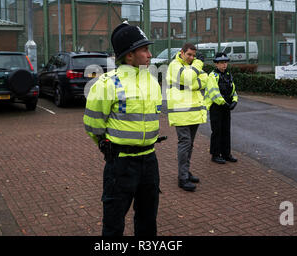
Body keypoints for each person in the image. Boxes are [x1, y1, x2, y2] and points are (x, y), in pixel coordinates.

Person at [83, 22, 162, 236]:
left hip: (150, 162)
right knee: (113, 223)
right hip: (121, 164)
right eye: (144, 49)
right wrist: (105, 145)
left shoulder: (152, 81)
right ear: (129, 55)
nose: (149, 54)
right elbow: (92, 124)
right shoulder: (107, 84)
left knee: (148, 221)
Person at [166, 43, 208, 192]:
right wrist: (197, 65)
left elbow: (205, 79)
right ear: (181, 52)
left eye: (194, 56)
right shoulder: (174, 65)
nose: (191, 58)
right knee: (185, 144)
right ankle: (182, 178)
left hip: (193, 113)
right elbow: (190, 78)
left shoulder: (190, 67)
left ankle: (186, 171)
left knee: (189, 145)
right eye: (189, 54)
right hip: (182, 112)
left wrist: (193, 81)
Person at [205, 52, 238, 164]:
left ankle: (226, 153)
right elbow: (214, 93)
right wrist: (224, 103)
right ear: (216, 64)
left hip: (226, 106)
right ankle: (215, 154)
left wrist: (234, 101)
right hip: (216, 107)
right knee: (217, 131)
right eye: (221, 63)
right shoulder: (212, 76)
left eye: (225, 62)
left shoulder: (228, 75)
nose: (224, 65)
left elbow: (233, 90)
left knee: (226, 130)